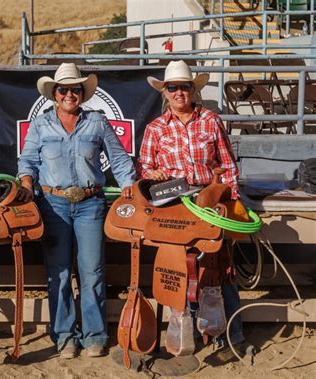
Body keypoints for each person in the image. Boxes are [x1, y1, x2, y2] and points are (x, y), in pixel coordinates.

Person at [17, 63, 136, 359]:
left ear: (82, 94)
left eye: (75, 89)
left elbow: (119, 159)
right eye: (64, 89)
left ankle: (95, 335)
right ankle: (65, 336)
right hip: (52, 203)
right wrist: (27, 184)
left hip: (90, 203)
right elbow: (27, 161)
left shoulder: (97, 121)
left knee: (92, 270)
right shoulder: (41, 125)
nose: (70, 94)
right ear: (54, 94)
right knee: (57, 272)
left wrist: (128, 186)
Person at [137, 60, 245, 349]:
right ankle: (188, 332)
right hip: (174, 202)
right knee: (180, 267)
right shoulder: (156, 128)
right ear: (165, 92)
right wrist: (152, 174)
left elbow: (228, 164)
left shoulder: (210, 120)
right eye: (173, 87)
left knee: (219, 264)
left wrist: (228, 200)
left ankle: (230, 333)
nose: (179, 92)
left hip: (207, 198)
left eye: (185, 87)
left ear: (193, 90)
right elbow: (145, 165)